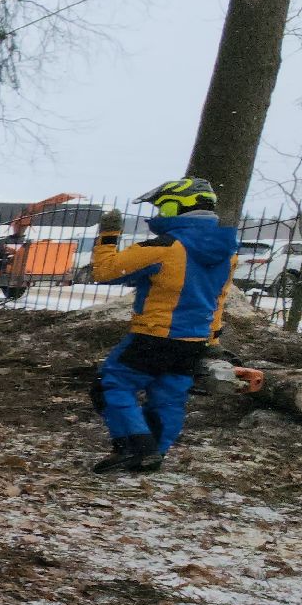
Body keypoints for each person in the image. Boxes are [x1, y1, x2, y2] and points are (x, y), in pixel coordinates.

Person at [87, 177, 239, 473]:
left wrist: (108, 236)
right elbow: (219, 299)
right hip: (194, 341)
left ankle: (136, 448)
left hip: (153, 336)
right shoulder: (228, 252)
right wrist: (214, 341)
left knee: (111, 385)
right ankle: (154, 453)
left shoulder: (164, 247)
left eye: (162, 207)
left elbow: (105, 272)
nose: (158, 214)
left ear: (176, 206)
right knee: (169, 397)